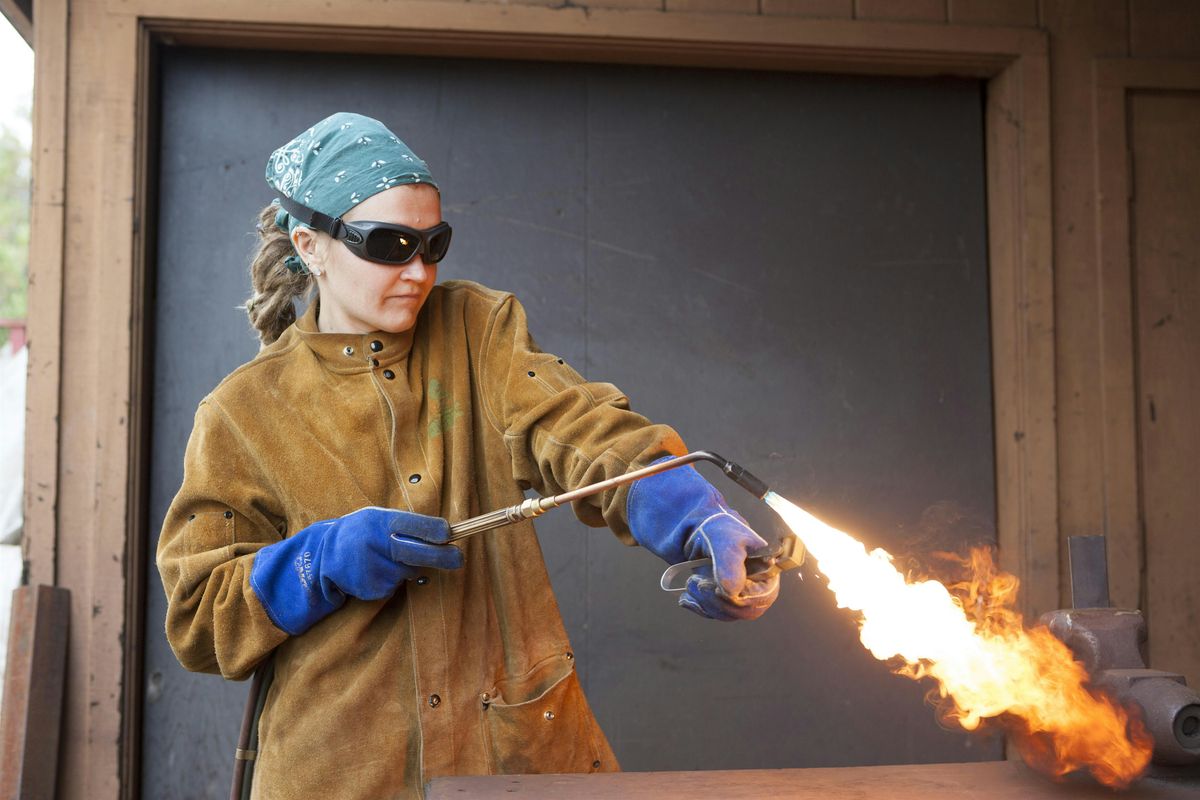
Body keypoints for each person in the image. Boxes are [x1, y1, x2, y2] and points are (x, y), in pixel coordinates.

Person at [156, 111, 781, 800]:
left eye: (433, 244)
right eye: (388, 244)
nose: (418, 271)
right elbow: (198, 620)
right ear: (311, 245)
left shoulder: (479, 329)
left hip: (514, 762)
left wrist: (694, 515)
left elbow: (580, 429)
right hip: (341, 772)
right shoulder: (243, 412)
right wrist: (320, 561)